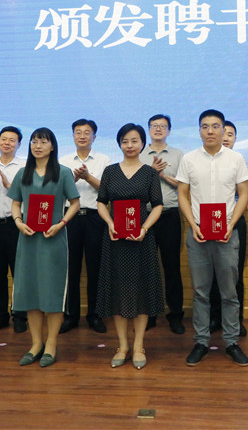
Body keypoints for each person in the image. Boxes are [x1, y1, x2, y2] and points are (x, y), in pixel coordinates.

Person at [177, 109, 248, 367]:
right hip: (197, 233)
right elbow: (182, 194)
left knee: (229, 291)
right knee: (200, 291)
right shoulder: (189, 159)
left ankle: (231, 342)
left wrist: (231, 224)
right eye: (205, 126)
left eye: (215, 126)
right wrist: (192, 224)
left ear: (223, 129)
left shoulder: (236, 158)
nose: (210, 131)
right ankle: (201, 341)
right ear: (199, 130)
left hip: (227, 234)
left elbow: (244, 193)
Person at [9, 127, 80, 368]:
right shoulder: (22, 173)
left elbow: (75, 203)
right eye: (34, 142)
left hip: (53, 239)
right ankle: (36, 343)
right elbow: (16, 203)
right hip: (28, 239)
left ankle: (51, 344)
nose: (37, 146)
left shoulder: (63, 172)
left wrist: (61, 223)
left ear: (52, 146)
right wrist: (18, 222)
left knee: (52, 292)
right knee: (30, 291)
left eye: (43, 142)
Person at [96, 124, 165, 369]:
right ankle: (122, 345)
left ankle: (138, 346)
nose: (130, 145)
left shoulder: (149, 173)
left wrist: (144, 228)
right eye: (125, 141)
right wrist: (110, 223)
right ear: (119, 144)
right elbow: (101, 202)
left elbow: (157, 205)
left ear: (142, 143)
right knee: (117, 289)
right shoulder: (110, 171)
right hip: (115, 239)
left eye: (135, 141)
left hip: (141, 239)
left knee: (141, 290)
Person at [59, 119, 110, 334]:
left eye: (87, 132)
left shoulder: (104, 160)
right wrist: (72, 177)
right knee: (70, 268)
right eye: (78, 132)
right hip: (69, 217)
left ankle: (95, 315)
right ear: (73, 136)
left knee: (95, 268)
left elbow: (107, 190)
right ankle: (70, 316)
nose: (82, 136)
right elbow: (58, 190)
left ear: (94, 137)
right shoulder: (62, 161)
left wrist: (87, 177)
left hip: (95, 217)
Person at [139, 114, 186, 335]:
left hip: (170, 216)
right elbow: (134, 184)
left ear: (169, 130)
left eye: (163, 126)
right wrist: (151, 173)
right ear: (149, 130)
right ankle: (149, 315)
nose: (158, 129)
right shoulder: (139, 153)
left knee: (172, 266)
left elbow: (183, 185)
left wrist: (162, 175)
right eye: (154, 126)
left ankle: (175, 315)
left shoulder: (178, 155)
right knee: (147, 267)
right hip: (145, 217)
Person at [0, 126, 28, 334]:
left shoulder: (26, 167)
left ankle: (20, 315)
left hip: (16, 224)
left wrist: (11, 187)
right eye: (4, 139)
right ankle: (0, 315)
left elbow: (32, 196)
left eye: (12, 140)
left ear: (19, 144)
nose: (7, 143)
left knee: (19, 271)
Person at [209, 120, 248, 337]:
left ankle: (236, 320)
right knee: (212, 272)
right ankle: (215, 317)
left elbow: (243, 192)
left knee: (234, 273)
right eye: (223, 133)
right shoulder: (205, 160)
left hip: (234, 219)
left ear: (235, 139)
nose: (225, 138)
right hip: (209, 219)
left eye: (230, 134)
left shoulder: (240, 160)